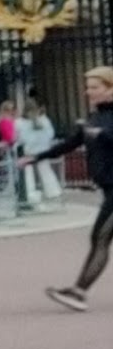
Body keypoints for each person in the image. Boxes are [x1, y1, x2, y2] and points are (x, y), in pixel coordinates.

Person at [38, 66, 113, 310]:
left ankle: (79, 292)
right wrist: (35, 157)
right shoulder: (93, 118)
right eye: (88, 87)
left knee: (100, 237)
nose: (88, 91)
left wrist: (102, 135)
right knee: (100, 239)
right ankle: (78, 291)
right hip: (108, 188)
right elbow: (70, 144)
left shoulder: (101, 123)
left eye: (95, 87)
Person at [19, 98, 63, 207]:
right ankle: (53, 191)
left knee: (28, 173)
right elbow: (51, 134)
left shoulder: (20, 122)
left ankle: (30, 192)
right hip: (43, 150)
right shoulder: (44, 120)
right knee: (46, 170)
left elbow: (19, 138)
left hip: (28, 151)